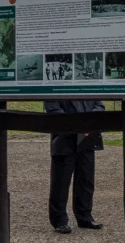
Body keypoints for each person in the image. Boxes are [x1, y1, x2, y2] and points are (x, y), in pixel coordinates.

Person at [44, 99, 105, 234]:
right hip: (65, 139)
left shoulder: (88, 86)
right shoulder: (56, 87)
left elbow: (99, 105)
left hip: (87, 139)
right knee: (61, 182)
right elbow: (53, 109)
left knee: (86, 180)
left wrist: (88, 124)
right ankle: (59, 221)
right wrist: (79, 126)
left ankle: (85, 217)